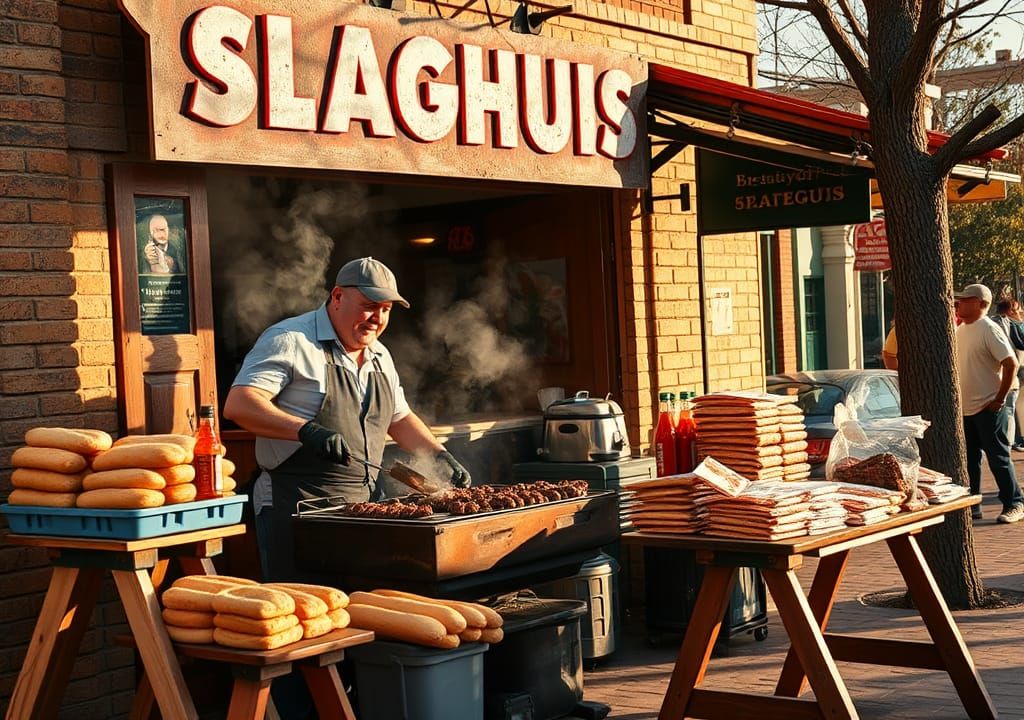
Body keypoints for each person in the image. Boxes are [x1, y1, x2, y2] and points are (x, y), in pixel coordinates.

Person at [224, 257, 472, 582]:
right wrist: (304, 431)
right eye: (369, 306)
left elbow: (400, 418)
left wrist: (440, 454)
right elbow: (240, 404)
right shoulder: (291, 340)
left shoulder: (380, 355)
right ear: (338, 297)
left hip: (365, 511)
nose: (377, 319)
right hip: (298, 509)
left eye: (386, 309)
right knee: (306, 615)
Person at [954, 283, 1024, 523]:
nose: (959, 303)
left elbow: (1011, 363)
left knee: (999, 457)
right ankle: (973, 504)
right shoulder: (960, 329)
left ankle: (1014, 503)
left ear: (981, 304)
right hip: (967, 407)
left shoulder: (988, 329)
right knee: (970, 459)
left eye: (965, 299)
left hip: (989, 406)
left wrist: (999, 399)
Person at [992, 298, 1024, 451]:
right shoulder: (1010, 324)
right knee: (1009, 410)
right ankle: (1010, 443)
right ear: (1010, 311)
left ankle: (1011, 441)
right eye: (1018, 310)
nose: (1021, 313)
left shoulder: (993, 323)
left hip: (1004, 377)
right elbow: (1020, 344)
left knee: (1009, 410)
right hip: (1011, 377)